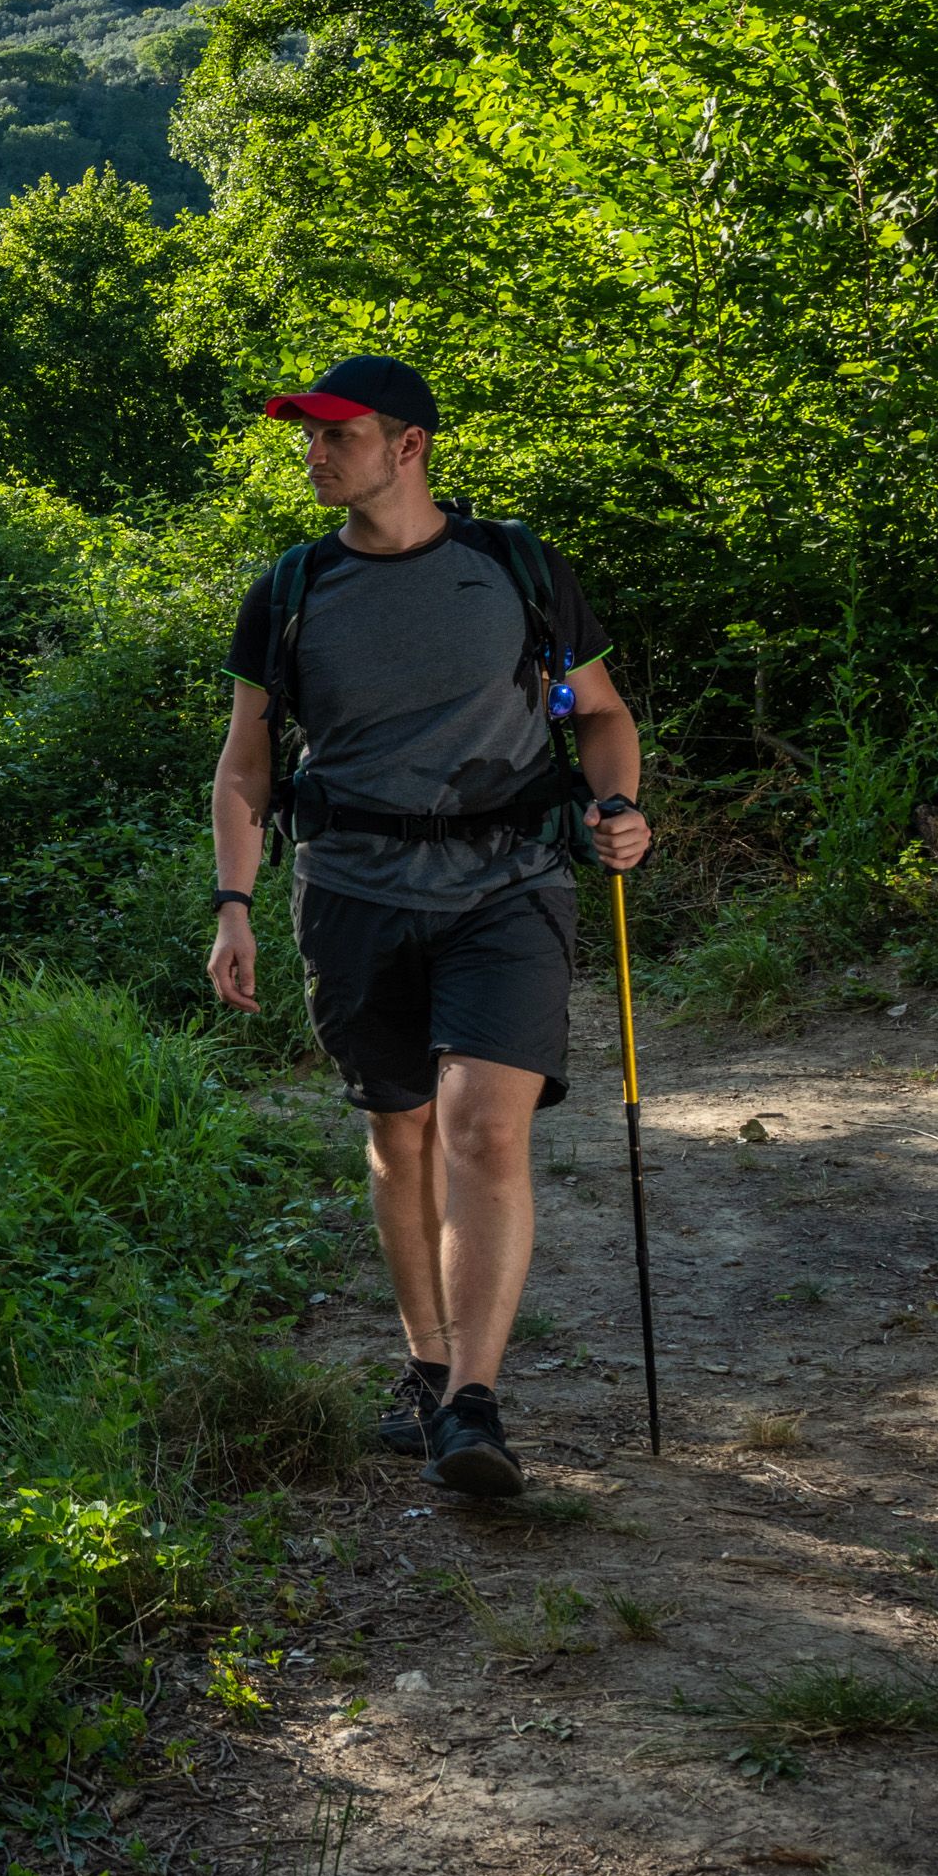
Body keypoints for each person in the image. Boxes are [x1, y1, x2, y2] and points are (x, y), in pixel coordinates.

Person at [204, 355, 654, 1499]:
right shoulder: (292, 587)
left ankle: (473, 1404)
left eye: (336, 435)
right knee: (398, 1132)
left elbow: (599, 715)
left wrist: (619, 803)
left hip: (508, 882)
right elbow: (247, 762)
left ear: (409, 447)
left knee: (483, 1130)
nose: (314, 453)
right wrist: (234, 902)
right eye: (306, 437)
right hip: (351, 891)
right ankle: (427, 1365)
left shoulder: (517, 565)